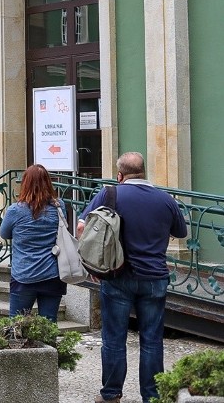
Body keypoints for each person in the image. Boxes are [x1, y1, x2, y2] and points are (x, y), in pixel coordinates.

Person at [77, 152, 187, 403]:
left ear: (120, 175)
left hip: (117, 276)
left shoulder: (110, 194)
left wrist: (94, 265)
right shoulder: (166, 199)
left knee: (114, 337)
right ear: (144, 172)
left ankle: (111, 394)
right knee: (152, 339)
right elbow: (180, 231)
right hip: (155, 278)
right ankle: (152, 395)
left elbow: (83, 227)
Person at [0, 164, 66, 323]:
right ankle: (49, 348)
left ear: (25, 184)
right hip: (52, 272)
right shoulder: (59, 206)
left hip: (24, 274)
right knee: (49, 324)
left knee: (17, 326)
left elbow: (4, 234)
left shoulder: (15, 210)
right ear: (49, 183)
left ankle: (19, 349)